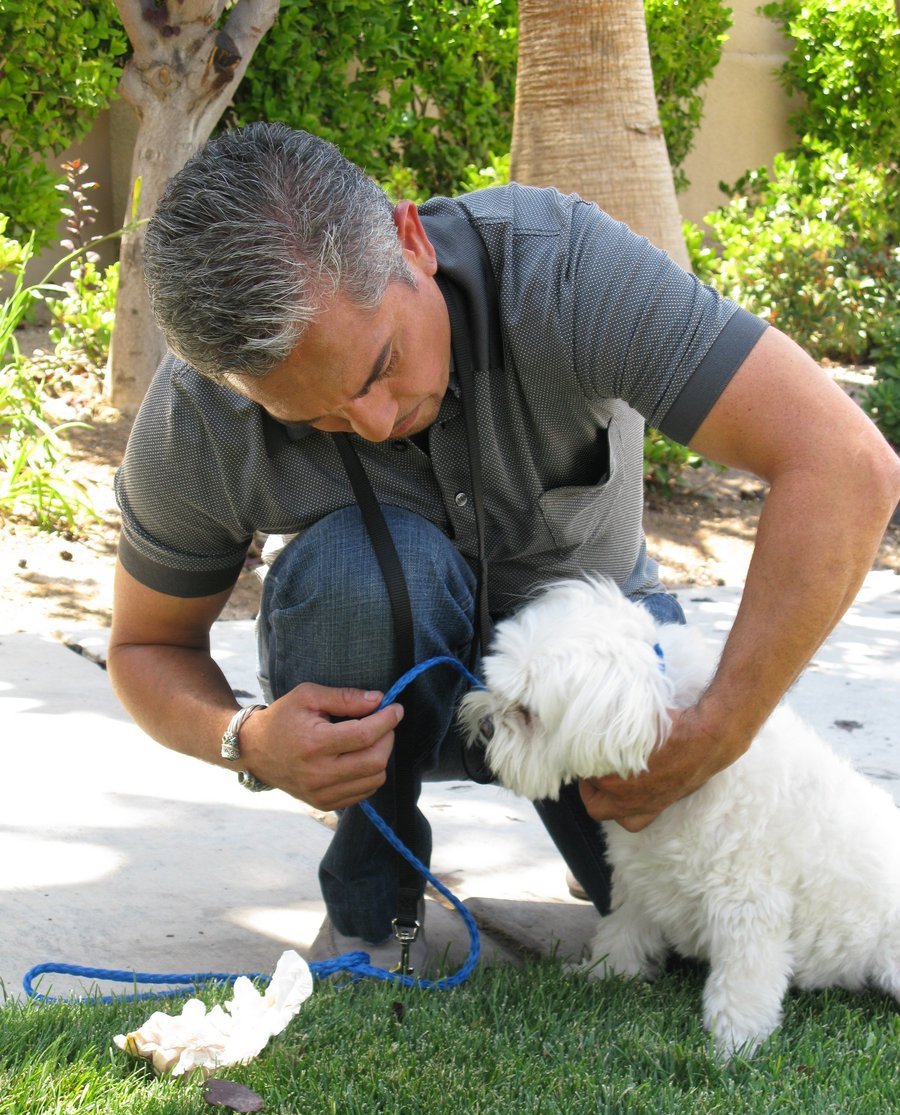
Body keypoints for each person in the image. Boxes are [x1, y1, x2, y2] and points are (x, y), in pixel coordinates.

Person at [109, 123, 900, 965]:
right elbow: (146, 643)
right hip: (385, 687)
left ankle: (591, 857)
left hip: (591, 688)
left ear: (411, 242)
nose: (375, 422)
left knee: (678, 940)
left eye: (381, 366)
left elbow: (848, 466)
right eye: (318, 418)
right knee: (361, 574)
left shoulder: (562, 269)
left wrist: (719, 728)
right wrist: (246, 739)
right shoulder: (202, 412)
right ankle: (374, 908)